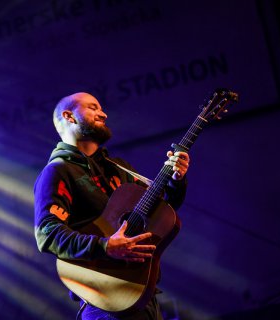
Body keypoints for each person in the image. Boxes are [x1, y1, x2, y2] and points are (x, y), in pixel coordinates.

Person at [34, 92, 190, 319]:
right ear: (69, 116)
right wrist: (105, 246)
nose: (103, 113)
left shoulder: (118, 167)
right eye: (93, 108)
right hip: (104, 301)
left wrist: (176, 180)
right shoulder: (58, 170)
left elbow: (162, 213)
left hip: (143, 295)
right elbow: (47, 234)